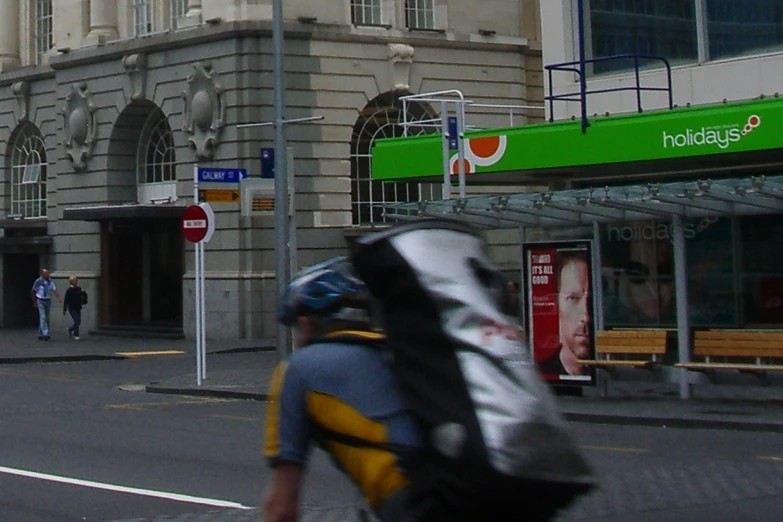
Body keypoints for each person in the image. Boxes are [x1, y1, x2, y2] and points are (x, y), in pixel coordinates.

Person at [263, 257, 421, 522]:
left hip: (412, 504)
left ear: (305, 325)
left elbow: (281, 510)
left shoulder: (298, 370)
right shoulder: (403, 355)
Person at [537, 250, 592, 377]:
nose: (586, 316)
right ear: (556, 304)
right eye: (573, 298)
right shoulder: (541, 375)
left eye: (591, 299)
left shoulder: (613, 375)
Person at [31, 268, 62, 341]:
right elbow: (33, 291)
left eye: (48, 273)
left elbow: (54, 289)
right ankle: (45, 333)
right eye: (46, 273)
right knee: (43, 316)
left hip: (48, 300)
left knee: (46, 317)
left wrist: (58, 298)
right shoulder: (38, 281)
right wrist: (34, 302)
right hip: (40, 299)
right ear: (42, 274)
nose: (48, 275)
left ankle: (40, 333)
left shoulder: (50, 281)